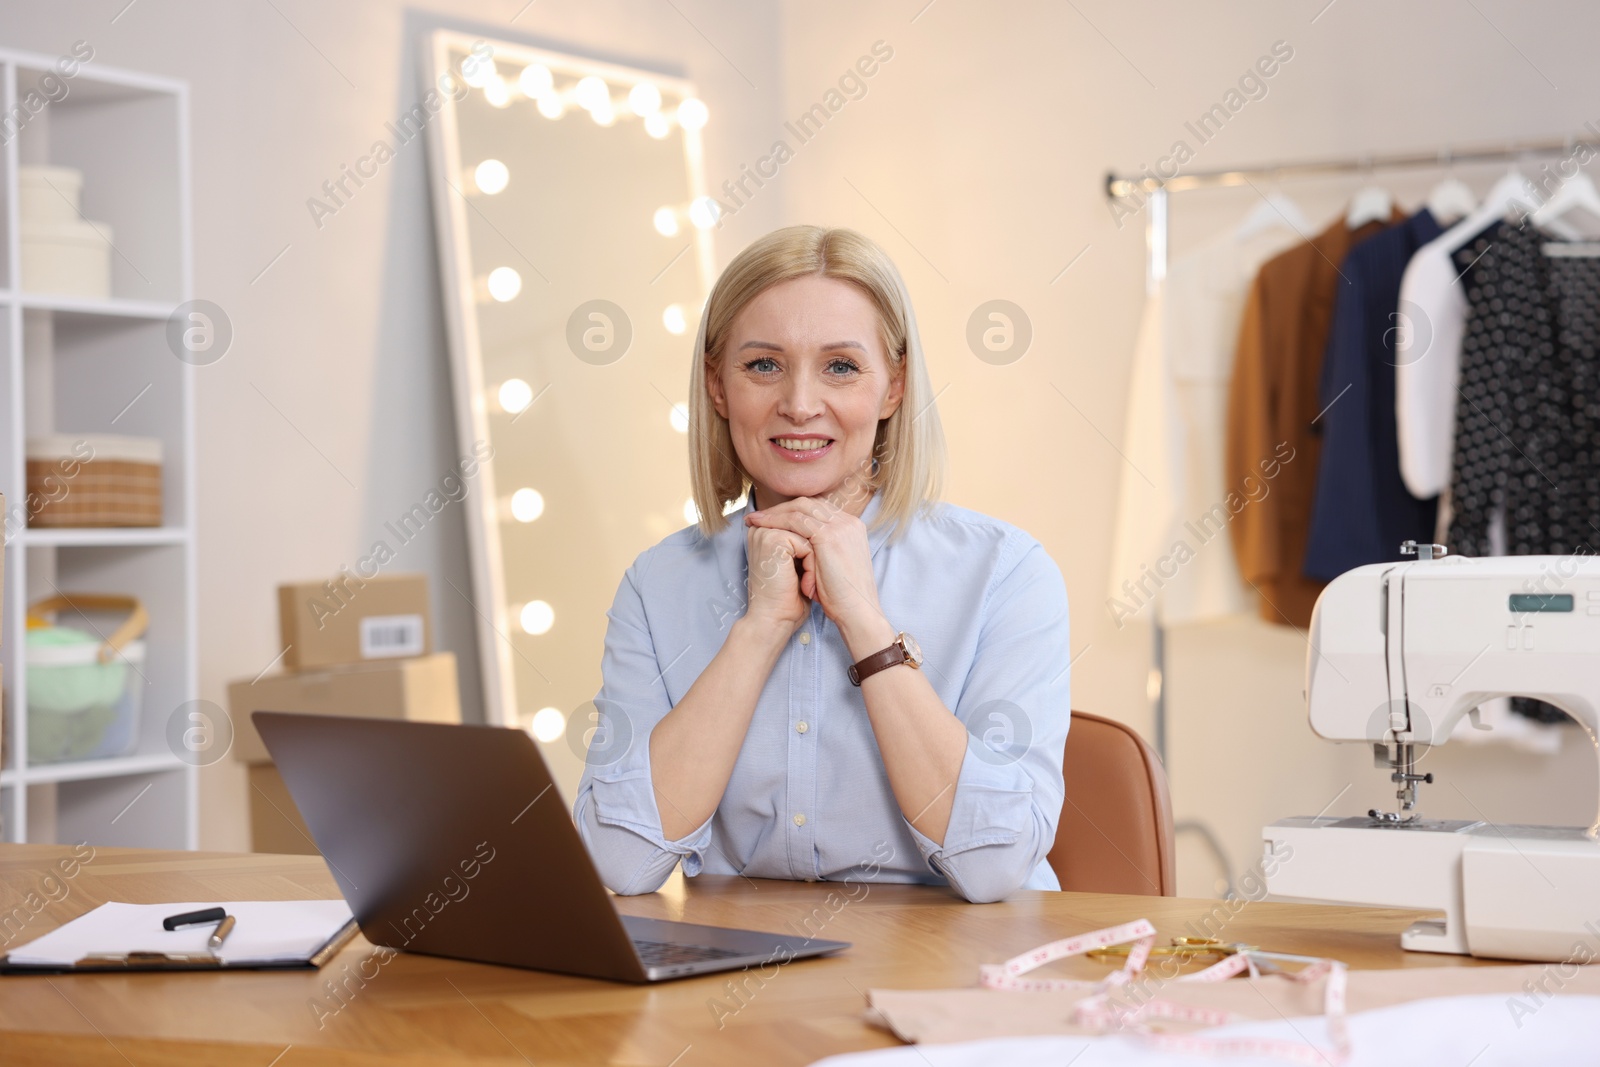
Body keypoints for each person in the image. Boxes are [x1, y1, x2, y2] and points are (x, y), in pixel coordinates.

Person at [572, 225, 1071, 903]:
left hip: (958, 974)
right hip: (742, 985)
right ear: (718, 386)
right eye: (763, 365)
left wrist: (865, 621)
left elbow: (991, 869)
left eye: (840, 366)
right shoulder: (657, 584)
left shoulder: (1006, 573)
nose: (801, 403)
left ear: (893, 386)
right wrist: (758, 628)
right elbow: (621, 860)